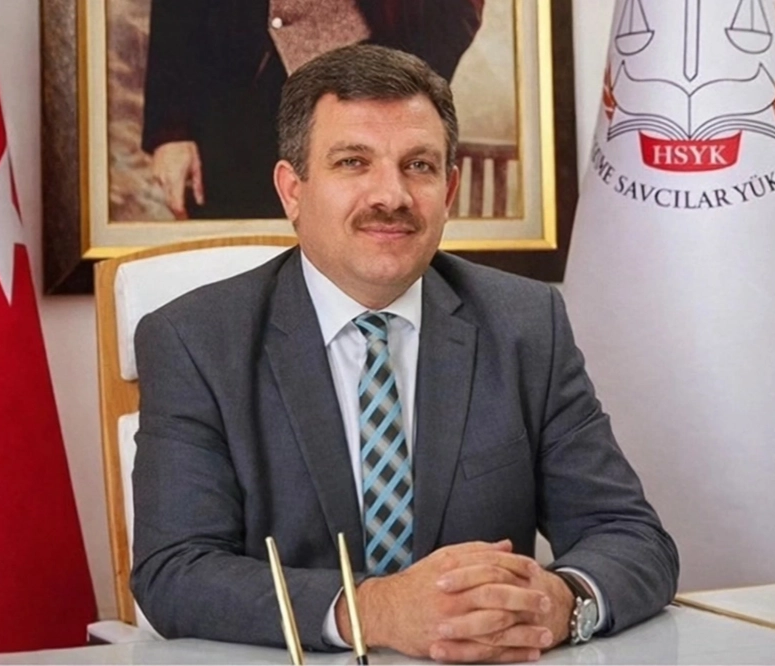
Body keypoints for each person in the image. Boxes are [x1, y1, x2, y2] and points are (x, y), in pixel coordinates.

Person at [131, 44, 679, 663]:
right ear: (292, 190)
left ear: (449, 189)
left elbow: (632, 538)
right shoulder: (195, 340)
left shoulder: (525, 325)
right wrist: (377, 610)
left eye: (418, 165)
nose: (390, 195)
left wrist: (561, 602)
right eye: (353, 162)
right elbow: (174, 571)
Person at [141, 0, 483, 220]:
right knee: (237, 276)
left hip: (370, 83)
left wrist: (402, 82)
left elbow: (456, 13)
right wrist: (171, 129)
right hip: (233, 102)